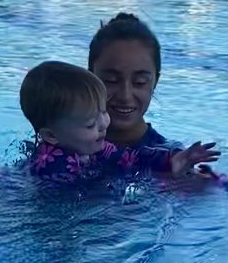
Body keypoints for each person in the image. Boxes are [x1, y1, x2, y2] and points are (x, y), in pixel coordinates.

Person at [20, 60, 216, 184]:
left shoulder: (95, 146)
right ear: (51, 136)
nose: (104, 124)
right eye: (90, 124)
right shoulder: (53, 168)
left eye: (103, 112)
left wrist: (172, 159)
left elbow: (133, 157)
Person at [89, 13, 219, 169]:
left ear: (155, 82)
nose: (125, 96)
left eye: (139, 82)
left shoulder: (171, 160)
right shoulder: (59, 135)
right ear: (90, 79)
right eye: (111, 80)